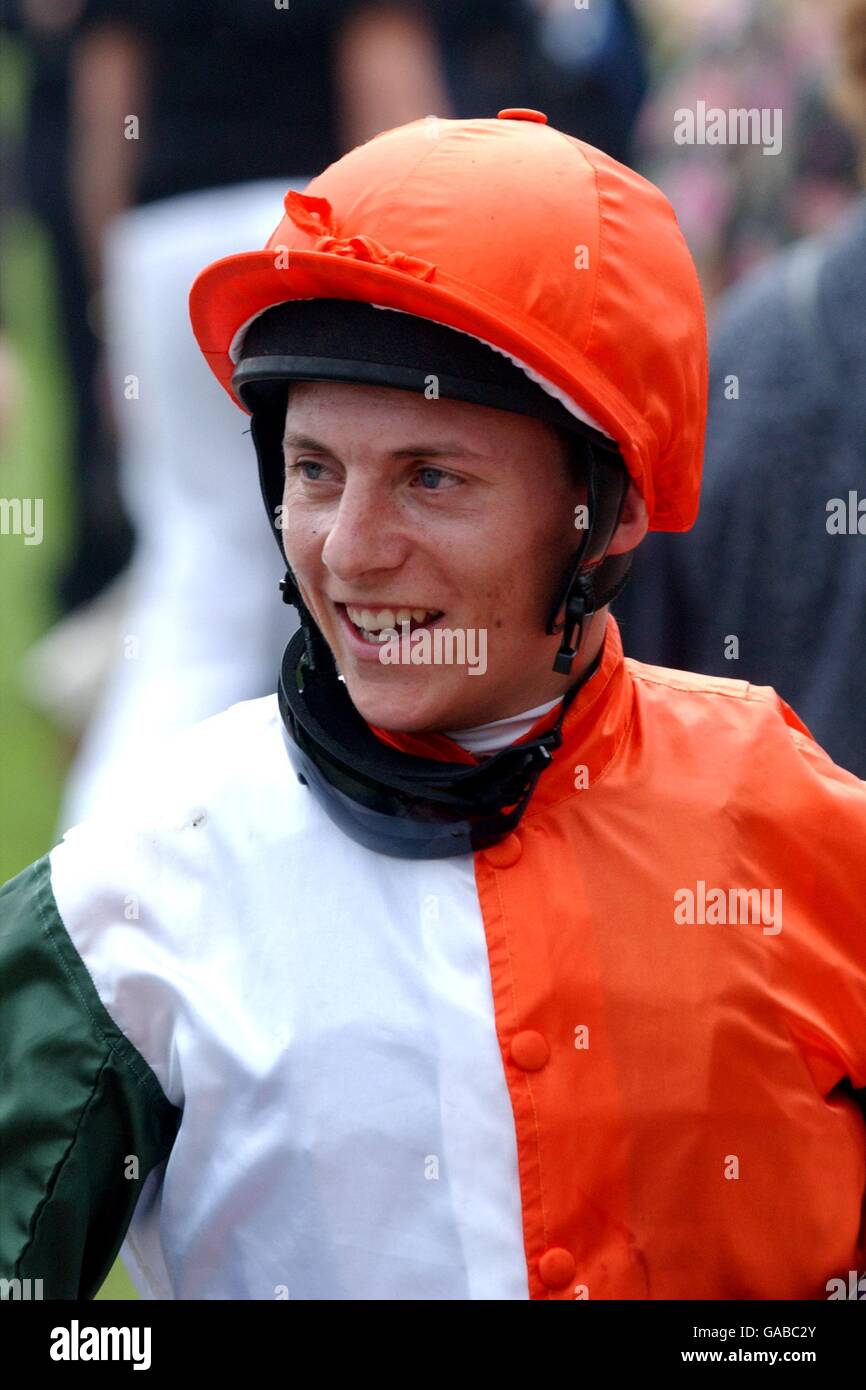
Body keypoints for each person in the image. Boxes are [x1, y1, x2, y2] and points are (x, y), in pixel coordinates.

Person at [1, 109, 865, 1302]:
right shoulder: (133, 892)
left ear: (605, 515)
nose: (350, 551)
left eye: (431, 478)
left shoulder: (811, 833)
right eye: (314, 471)